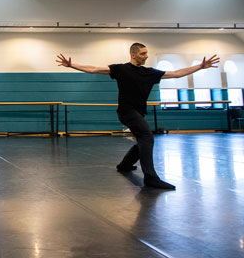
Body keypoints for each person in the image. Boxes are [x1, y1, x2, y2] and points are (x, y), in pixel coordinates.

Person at [56, 43, 219, 190]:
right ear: (133, 55)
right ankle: (151, 178)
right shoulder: (121, 69)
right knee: (147, 136)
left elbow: (176, 74)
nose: (146, 56)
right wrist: (71, 65)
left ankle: (125, 165)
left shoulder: (149, 73)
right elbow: (94, 69)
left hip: (138, 112)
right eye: (143, 53)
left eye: (147, 53)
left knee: (143, 138)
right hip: (126, 112)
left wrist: (200, 66)